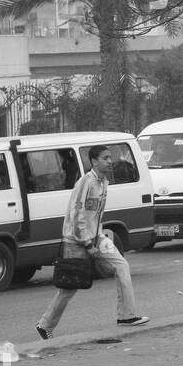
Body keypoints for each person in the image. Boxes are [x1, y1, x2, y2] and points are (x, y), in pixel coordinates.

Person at [36, 145, 148, 340]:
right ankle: (45, 325)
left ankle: (127, 316)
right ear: (94, 161)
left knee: (121, 265)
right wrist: (88, 245)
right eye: (105, 158)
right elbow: (77, 215)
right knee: (69, 287)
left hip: (97, 237)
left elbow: (95, 216)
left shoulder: (104, 182)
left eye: (110, 157)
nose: (110, 161)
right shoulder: (85, 183)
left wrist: (97, 239)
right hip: (76, 240)